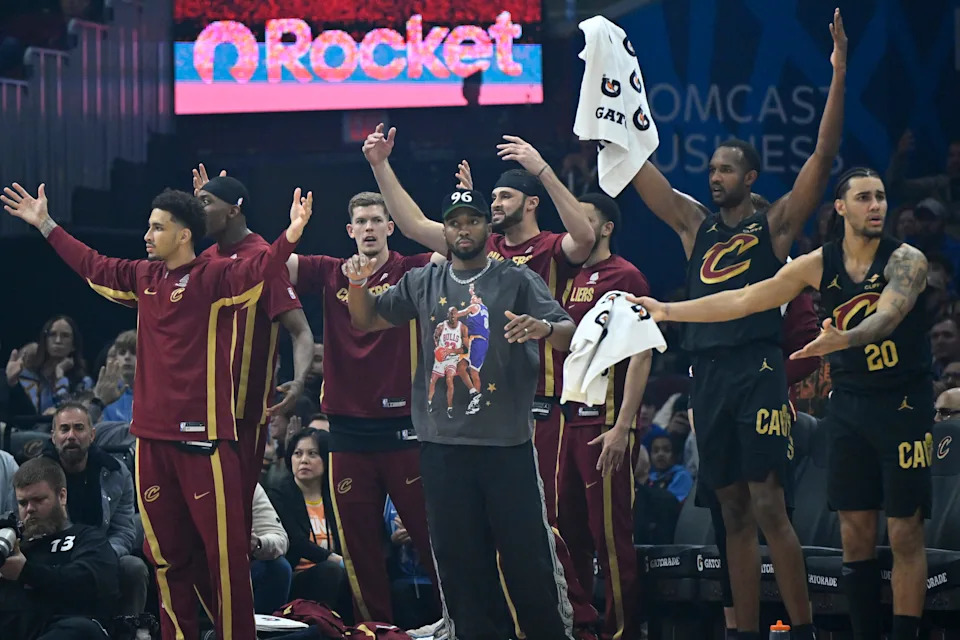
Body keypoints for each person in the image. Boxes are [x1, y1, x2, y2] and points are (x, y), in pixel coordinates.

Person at [1, 181, 313, 640]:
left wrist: (291, 234)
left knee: (224, 558)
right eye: (148, 227)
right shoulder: (144, 278)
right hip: (150, 440)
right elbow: (91, 264)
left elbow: (261, 268)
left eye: (157, 228)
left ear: (184, 234)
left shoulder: (213, 278)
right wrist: (46, 223)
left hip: (203, 440)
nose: (147, 236)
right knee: (167, 560)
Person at [635, 167, 932, 640]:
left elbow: (888, 316)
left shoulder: (907, 259)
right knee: (855, 532)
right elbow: (743, 299)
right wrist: (669, 310)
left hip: (902, 403)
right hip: (849, 404)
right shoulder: (817, 263)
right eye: (864, 197)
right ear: (841, 207)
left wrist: (845, 339)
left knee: (903, 531)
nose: (876, 205)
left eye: (880, 196)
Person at [624, 11, 847, 639]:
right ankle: (745, 632)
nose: (714, 177)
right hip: (708, 376)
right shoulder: (694, 224)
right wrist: (611, 111)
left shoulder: (773, 225)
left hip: (758, 369)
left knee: (770, 505)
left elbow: (823, 156)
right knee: (731, 513)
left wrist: (838, 74)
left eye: (725, 170)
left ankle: (801, 629)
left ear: (749, 177)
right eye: (711, 170)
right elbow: (642, 173)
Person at [363, 125, 600, 633]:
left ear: (525, 206)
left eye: (497, 200)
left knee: (533, 552)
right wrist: (381, 166)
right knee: (461, 559)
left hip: (524, 418)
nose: (486, 211)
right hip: (451, 437)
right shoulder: (446, 266)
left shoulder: (540, 256)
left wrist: (540, 168)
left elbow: (584, 245)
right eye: (467, 215)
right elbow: (412, 225)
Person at [286, 191, 441, 624]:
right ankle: (375, 630)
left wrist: (452, 208)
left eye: (376, 220)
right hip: (347, 431)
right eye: (361, 221)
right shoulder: (329, 271)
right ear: (350, 230)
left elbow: (458, 249)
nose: (369, 228)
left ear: (391, 227)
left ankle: (459, 624)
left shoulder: (413, 268)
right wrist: (293, 232)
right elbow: (268, 265)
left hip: (404, 427)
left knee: (432, 538)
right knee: (359, 549)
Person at [193, 168, 315, 538]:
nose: (198, 211)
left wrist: (298, 381)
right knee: (198, 522)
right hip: (198, 410)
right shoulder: (204, 258)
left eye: (206, 203)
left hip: (243, 415)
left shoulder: (264, 259)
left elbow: (301, 331)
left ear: (233, 210)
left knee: (233, 521)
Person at [555, 192, 652, 640]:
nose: (577, 225)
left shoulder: (626, 275)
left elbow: (642, 353)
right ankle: (584, 628)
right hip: (567, 421)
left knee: (611, 539)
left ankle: (622, 631)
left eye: (587, 219)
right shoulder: (571, 275)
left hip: (605, 422)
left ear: (607, 228)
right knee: (569, 534)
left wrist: (623, 427)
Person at [42, 401, 149, 616]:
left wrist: (101, 555)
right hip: (54, 556)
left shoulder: (117, 473)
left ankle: (129, 627)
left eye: (79, 428)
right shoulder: (38, 474)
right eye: (64, 429)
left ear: (92, 435)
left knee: (134, 568)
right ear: (53, 436)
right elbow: (31, 527)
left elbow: (124, 530)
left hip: (103, 554)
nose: (71, 435)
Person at [0, 457, 119, 639]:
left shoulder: (87, 538)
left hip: (65, 628)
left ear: (62, 496)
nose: (29, 509)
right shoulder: (13, 546)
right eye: (23, 503)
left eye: (38, 500)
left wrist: (26, 572)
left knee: (82, 630)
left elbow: (91, 584)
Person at [267, 428, 348, 610]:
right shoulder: (279, 495)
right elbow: (296, 541)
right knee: (332, 571)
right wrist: (336, 559)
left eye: (312, 454)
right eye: (298, 454)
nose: (304, 460)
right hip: (296, 576)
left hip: (335, 573)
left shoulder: (336, 496)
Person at [7, 315, 92, 415]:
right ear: (45, 340)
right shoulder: (28, 376)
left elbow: (73, 414)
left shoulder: (83, 382)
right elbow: (20, 410)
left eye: (65, 336)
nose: (58, 341)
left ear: (74, 345)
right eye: (52, 334)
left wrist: (60, 376)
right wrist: (11, 382)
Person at [250, 482, 292, 614]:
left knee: (278, 567)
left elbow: (280, 538)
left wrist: (258, 543)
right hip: (197, 565)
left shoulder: (246, 484)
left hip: (235, 565)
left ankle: (263, 627)